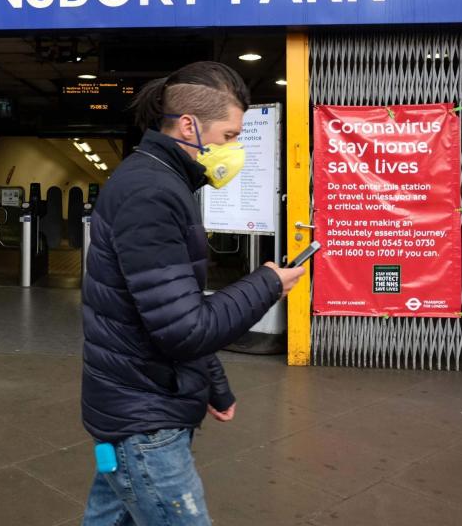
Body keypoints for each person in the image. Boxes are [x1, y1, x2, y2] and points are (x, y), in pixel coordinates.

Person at [80, 61, 306, 525]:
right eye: (228, 136)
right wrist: (266, 284)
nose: (235, 148)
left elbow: (168, 307)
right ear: (189, 126)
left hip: (136, 404)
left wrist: (214, 387)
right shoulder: (152, 193)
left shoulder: (159, 180)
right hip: (145, 423)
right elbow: (185, 327)